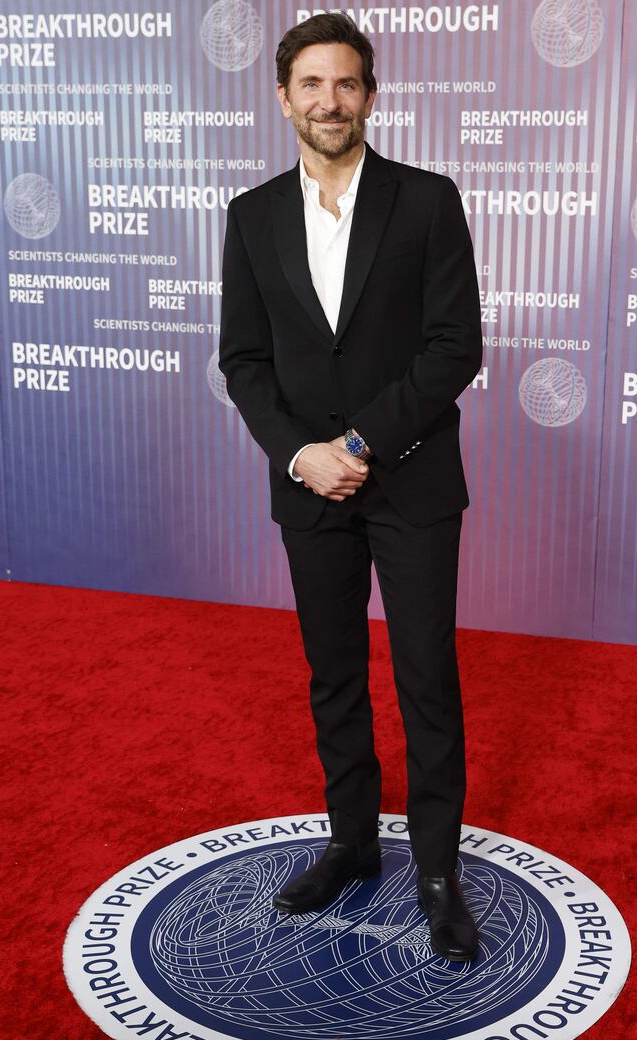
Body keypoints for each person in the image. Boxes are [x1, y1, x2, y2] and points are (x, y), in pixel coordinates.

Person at [219, 13, 482, 961]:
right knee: (333, 677)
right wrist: (304, 454)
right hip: (308, 491)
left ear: (372, 94)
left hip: (410, 483)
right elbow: (243, 359)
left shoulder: (426, 200)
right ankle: (353, 842)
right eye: (312, 85)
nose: (330, 101)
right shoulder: (250, 216)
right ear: (284, 96)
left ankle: (439, 872)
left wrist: (359, 441)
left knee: (425, 681)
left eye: (347, 84)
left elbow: (457, 347)